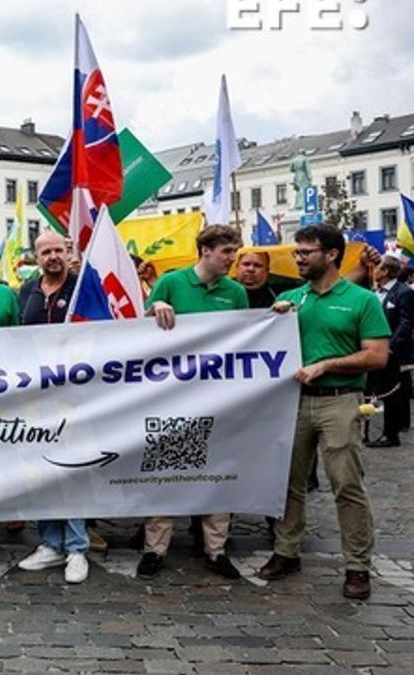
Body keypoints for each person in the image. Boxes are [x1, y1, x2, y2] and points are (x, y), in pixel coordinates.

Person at [258, 225, 390, 600]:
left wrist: (326, 365)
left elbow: (377, 355)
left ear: (331, 255)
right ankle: (286, 551)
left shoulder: (361, 300)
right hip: (294, 401)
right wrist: (271, 320)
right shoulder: (290, 298)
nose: (298, 258)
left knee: (346, 484)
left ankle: (357, 565)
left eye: (305, 252)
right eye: (297, 252)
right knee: (288, 482)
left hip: (340, 400)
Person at [136, 225, 249, 582]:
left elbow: (248, 337)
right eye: (227, 251)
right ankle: (155, 548)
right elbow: (136, 332)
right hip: (173, 395)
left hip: (217, 396)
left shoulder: (235, 292)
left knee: (217, 471)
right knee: (167, 469)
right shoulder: (171, 282)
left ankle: (216, 549)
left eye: (234, 251)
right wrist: (155, 305)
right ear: (205, 250)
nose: (233, 258)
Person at [13, 230, 90, 584]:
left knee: (72, 469)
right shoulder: (25, 291)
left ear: (68, 251)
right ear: (36, 256)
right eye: (45, 252)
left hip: (75, 394)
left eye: (58, 250)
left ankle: (76, 547)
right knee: (41, 470)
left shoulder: (83, 287)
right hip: (36, 398)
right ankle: (50, 543)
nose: (53, 256)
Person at [365, 255, 414, 448]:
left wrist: (391, 347)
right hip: (373, 350)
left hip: (392, 353)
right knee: (373, 390)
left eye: (377, 268)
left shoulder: (403, 292)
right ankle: (367, 431)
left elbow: (406, 322)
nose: (374, 271)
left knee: (392, 393)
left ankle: (391, 434)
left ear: (385, 271)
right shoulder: (375, 293)